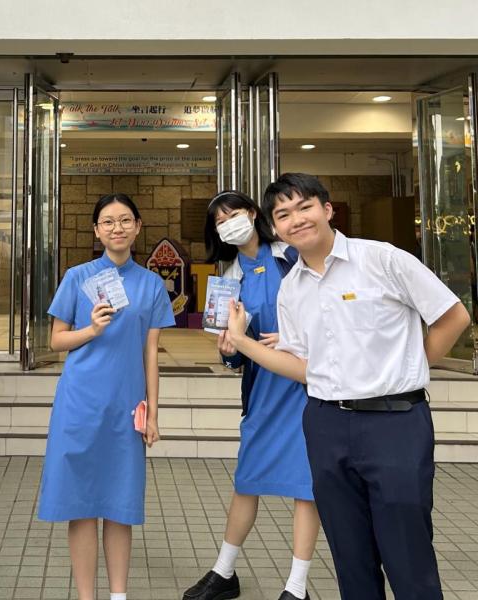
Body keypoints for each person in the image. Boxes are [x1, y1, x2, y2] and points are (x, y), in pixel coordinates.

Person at [225, 173, 471, 600]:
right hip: (326, 423)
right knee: (349, 555)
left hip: (395, 422)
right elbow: (303, 366)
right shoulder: (291, 289)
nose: (296, 219)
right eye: (283, 214)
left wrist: (412, 365)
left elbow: (454, 317)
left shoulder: (382, 259)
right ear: (275, 227)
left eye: (304, 207)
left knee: (407, 552)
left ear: (327, 209)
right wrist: (242, 342)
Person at [37, 193, 175, 600]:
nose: (118, 228)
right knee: (80, 505)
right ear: (96, 230)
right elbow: (56, 340)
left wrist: (153, 413)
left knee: (120, 504)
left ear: (138, 226)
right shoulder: (77, 277)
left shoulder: (152, 284)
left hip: (126, 407)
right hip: (79, 403)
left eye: (126, 220)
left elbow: (151, 353)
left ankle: (118, 595)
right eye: (109, 221)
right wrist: (92, 330)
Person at [183, 191, 318, 600]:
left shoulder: (291, 254)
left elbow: (326, 309)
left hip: (307, 387)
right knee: (247, 479)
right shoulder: (228, 279)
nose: (229, 225)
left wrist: (297, 338)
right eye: (220, 222)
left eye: (234, 215)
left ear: (253, 213)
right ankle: (224, 572)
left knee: (305, 486)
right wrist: (228, 351)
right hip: (263, 390)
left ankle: (296, 586)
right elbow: (234, 354)